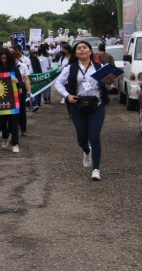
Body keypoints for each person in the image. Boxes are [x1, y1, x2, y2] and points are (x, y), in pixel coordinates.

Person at [54, 41, 110, 181]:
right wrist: (67, 95)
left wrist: (109, 82)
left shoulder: (100, 67)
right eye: (79, 48)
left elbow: (109, 86)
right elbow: (58, 83)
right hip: (78, 107)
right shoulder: (70, 68)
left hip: (97, 106)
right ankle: (86, 151)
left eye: (85, 47)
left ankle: (96, 168)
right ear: (76, 53)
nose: (82, 50)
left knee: (94, 136)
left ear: (91, 51)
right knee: (81, 138)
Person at [0, 48, 23, 153]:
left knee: (13, 122)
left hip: (13, 99)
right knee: (0, 123)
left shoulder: (14, 68)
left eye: (5, 58)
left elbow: (21, 83)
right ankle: (5, 136)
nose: (4, 60)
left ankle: (15, 143)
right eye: (2, 58)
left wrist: (17, 82)